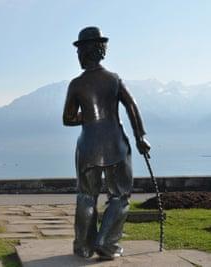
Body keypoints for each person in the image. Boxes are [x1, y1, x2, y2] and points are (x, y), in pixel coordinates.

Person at [62, 26, 151, 260]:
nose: (78, 56)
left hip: (87, 147)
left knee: (86, 196)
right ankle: (106, 242)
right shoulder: (113, 80)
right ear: (101, 51)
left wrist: (89, 118)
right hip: (115, 146)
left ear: (86, 52)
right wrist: (140, 136)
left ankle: (83, 246)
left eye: (79, 51)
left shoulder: (76, 84)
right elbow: (131, 106)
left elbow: (68, 119)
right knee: (120, 196)